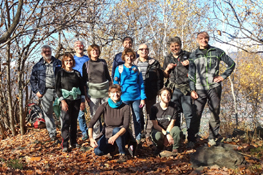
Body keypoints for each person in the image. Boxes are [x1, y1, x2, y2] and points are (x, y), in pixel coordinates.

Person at [188, 31, 235, 146]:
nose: (204, 40)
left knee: (215, 112)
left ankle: (212, 137)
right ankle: (192, 139)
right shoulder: (193, 55)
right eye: (201, 38)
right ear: (197, 40)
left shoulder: (217, 52)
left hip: (214, 87)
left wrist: (223, 76)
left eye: (206, 38)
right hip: (199, 88)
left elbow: (232, 64)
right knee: (196, 113)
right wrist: (192, 90)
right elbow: (191, 74)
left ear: (208, 39)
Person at [163, 37, 194, 147]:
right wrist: (167, 68)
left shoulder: (189, 55)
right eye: (172, 46)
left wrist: (190, 63)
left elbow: (196, 69)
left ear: (180, 45)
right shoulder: (167, 58)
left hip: (186, 89)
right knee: (175, 115)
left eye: (176, 45)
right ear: (169, 47)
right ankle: (177, 139)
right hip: (173, 90)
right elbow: (165, 75)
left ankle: (191, 139)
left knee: (188, 114)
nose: (174, 48)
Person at [88, 84, 130, 162]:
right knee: (97, 152)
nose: (115, 94)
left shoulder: (126, 107)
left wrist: (115, 136)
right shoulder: (104, 106)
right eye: (113, 92)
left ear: (120, 93)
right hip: (108, 134)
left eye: (118, 92)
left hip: (122, 134)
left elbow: (126, 126)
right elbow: (91, 123)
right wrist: (91, 138)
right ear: (109, 94)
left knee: (116, 130)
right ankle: (114, 149)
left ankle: (122, 153)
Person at [113, 48, 146, 146]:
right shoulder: (119, 68)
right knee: (123, 119)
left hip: (136, 97)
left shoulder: (137, 69)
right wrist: (117, 95)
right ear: (124, 57)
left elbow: (141, 84)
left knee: (137, 118)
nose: (129, 58)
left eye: (131, 56)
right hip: (124, 98)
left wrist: (143, 98)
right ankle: (124, 138)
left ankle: (138, 138)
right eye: (127, 56)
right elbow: (115, 83)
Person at [133, 43, 163, 146]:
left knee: (151, 114)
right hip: (137, 94)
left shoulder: (154, 63)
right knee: (137, 115)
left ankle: (148, 135)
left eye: (146, 49)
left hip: (151, 92)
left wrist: (159, 92)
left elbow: (160, 79)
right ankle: (137, 136)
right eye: (141, 49)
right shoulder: (133, 64)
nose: (143, 51)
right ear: (138, 51)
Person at [30, 45, 61, 141]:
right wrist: (36, 91)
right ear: (41, 53)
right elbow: (32, 80)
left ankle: (65, 132)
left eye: (48, 51)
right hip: (45, 91)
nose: (47, 53)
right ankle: (52, 134)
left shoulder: (58, 63)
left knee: (62, 111)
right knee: (47, 113)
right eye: (45, 51)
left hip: (58, 90)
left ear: (51, 51)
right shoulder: (38, 66)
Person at [55, 53, 85, 152]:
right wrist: (62, 101)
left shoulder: (77, 73)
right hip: (65, 100)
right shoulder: (60, 73)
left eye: (70, 60)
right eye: (66, 60)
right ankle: (64, 144)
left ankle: (73, 142)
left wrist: (82, 101)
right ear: (63, 62)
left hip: (76, 100)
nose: (69, 62)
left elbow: (81, 88)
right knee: (66, 121)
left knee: (73, 121)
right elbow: (57, 88)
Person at [82, 44, 112, 140]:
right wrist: (85, 95)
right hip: (92, 93)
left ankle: (108, 134)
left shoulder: (103, 63)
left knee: (108, 113)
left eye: (97, 50)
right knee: (95, 115)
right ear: (90, 52)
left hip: (105, 92)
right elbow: (84, 82)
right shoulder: (86, 64)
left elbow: (108, 77)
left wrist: (111, 92)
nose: (95, 52)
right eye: (93, 50)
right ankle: (96, 137)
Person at [150, 87, 181, 156]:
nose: (167, 97)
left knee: (177, 130)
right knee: (157, 136)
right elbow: (155, 125)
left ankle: (175, 149)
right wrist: (166, 135)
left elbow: (172, 123)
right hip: (159, 130)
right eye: (164, 95)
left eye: (168, 94)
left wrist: (168, 134)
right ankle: (159, 147)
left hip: (170, 129)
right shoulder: (154, 108)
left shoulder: (174, 106)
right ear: (159, 96)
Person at [73, 41, 90, 140]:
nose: (79, 47)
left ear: (83, 47)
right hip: (77, 87)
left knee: (94, 108)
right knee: (80, 110)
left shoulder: (87, 59)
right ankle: (84, 132)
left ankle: (96, 129)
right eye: (76, 45)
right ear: (74, 48)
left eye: (81, 45)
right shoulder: (72, 59)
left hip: (89, 85)